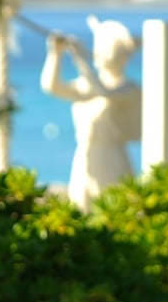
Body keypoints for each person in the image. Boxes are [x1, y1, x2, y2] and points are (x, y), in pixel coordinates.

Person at [41, 16, 141, 211]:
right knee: (80, 208)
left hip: (111, 155)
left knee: (112, 210)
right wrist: (56, 54)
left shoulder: (129, 89)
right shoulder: (86, 84)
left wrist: (80, 60)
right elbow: (51, 86)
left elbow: (104, 92)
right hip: (85, 154)